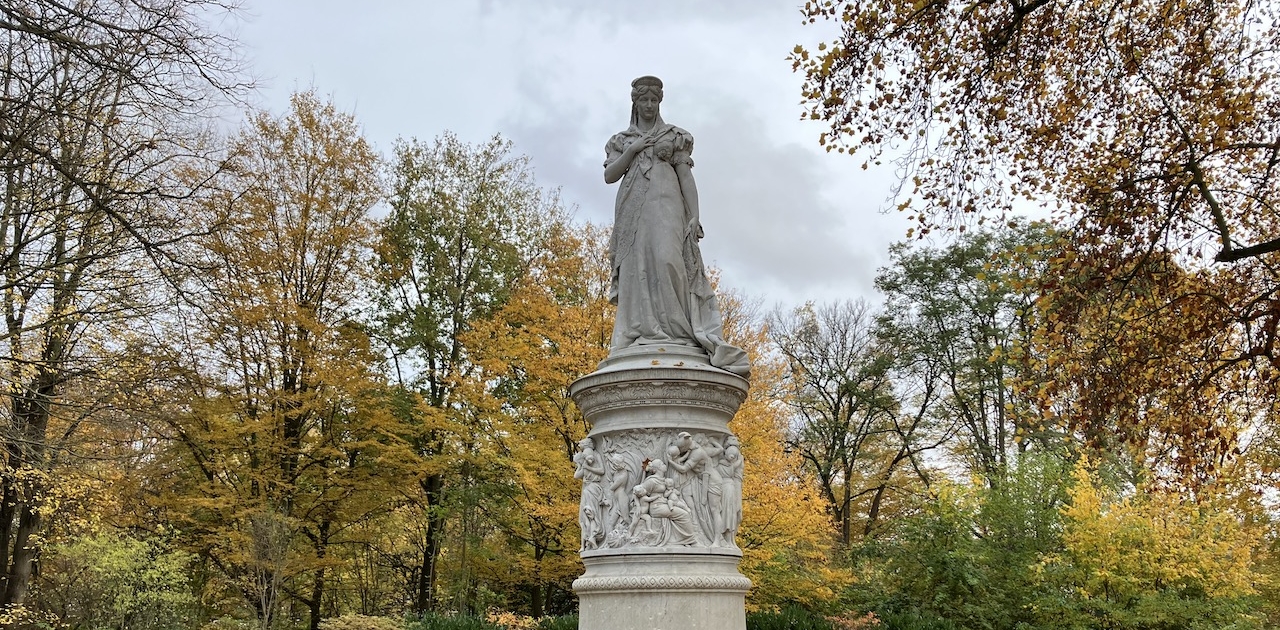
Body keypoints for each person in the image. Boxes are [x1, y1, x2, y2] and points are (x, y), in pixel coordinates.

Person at [603, 75, 750, 378]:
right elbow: (609, 175)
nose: (648, 105)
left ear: (659, 102)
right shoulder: (622, 140)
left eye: (653, 100)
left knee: (669, 260)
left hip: (668, 207)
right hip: (634, 210)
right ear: (635, 102)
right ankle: (642, 328)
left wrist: (694, 215)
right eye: (643, 100)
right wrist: (633, 151)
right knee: (636, 267)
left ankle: (677, 331)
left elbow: (686, 177)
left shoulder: (674, 136)